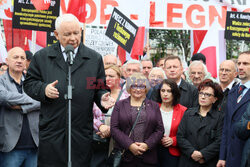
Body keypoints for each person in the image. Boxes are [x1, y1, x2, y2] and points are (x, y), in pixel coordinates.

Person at [23, 14, 114, 167]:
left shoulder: (94, 59)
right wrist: (43, 89)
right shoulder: (42, 57)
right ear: (57, 34)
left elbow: (98, 87)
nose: (73, 38)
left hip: (80, 133)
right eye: (67, 34)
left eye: (76, 33)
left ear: (81, 31)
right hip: (53, 131)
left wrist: (102, 97)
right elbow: (29, 83)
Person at [111, 72, 164, 167]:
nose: (138, 89)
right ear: (129, 88)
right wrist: (130, 145)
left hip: (148, 156)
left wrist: (147, 145)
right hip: (125, 156)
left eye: (141, 86)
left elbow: (160, 130)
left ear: (146, 88)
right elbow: (114, 128)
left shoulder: (154, 106)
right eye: (134, 86)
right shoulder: (119, 105)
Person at [0, 47, 40, 167]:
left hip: (34, 144)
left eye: (22, 58)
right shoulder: (1, 81)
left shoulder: (33, 81)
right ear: (7, 60)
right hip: (11, 146)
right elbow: (4, 98)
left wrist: (22, 107)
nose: (19, 60)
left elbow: (43, 101)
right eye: (15, 57)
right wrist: (32, 99)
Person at [177, 79, 224, 167]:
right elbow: (180, 137)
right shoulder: (188, 113)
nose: (202, 97)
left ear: (215, 99)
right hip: (188, 160)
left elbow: (219, 141)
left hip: (208, 161)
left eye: (207, 95)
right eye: (201, 93)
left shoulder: (220, 117)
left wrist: (202, 154)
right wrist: (192, 152)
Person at [91, 65, 130, 167]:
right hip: (97, 140)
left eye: (111, 76)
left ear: (119, 78)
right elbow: (86, 115)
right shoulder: (93, 94)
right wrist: (100, 126)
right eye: (105, 76)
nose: (107, 79)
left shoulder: (127, 95)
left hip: (119, 143)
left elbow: (130, 117)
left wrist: (112, 130)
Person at [217, 51, 250, 167]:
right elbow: (226, 127)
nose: (240, 67)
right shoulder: (233, 92)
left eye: (245, 63)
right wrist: (222, 156)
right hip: (230, 157)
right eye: (239, 63)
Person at [157, 79, 187, 167]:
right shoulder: (153, 107)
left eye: (169, 91)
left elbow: (188, 134)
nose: (165, 94)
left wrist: (173, 140)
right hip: (153, 151)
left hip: (172, 153)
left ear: (174, 93)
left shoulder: (183, 111)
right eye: (163, 91)